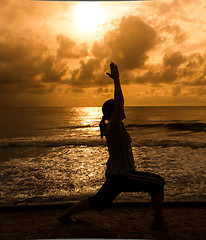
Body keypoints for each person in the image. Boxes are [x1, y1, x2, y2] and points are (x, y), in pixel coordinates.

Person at [58, 62, 166, 229]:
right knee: (158, 184)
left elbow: (120, 105)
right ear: (112, 114)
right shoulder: (113, 127)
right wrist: (117, 80)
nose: (123, 110)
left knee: (97, 201)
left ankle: (64, 216)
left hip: (115, 175)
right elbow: (120, 101)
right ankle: (158, 223)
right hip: (123, 176)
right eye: (118, 109)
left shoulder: (117, 127)